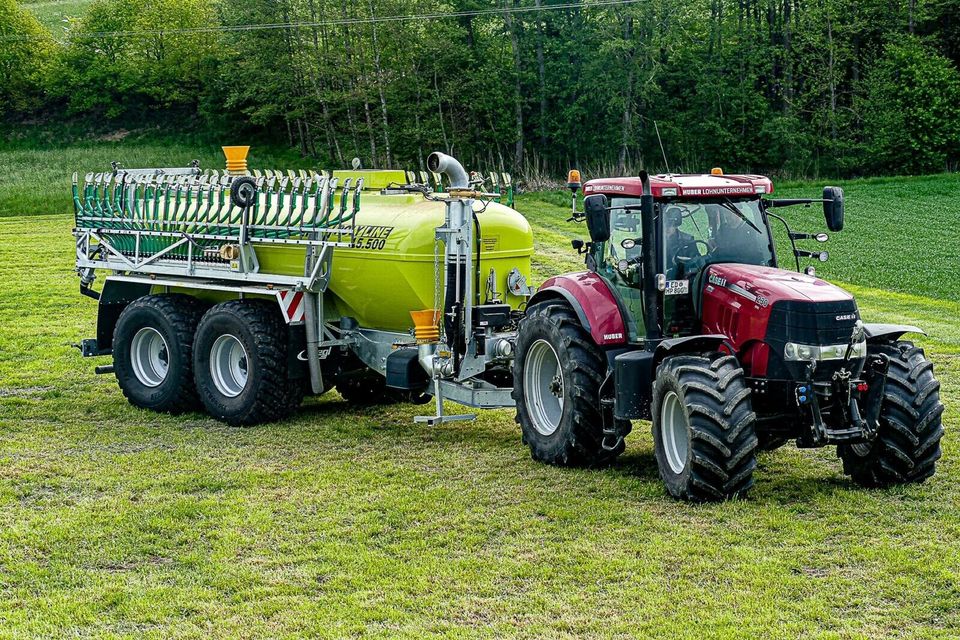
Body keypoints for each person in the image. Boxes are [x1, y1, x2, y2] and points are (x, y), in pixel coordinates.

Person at [663, 206, 699, 278]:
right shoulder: (655, 240)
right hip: (660, 276)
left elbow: (696, 260)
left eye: (671, 224)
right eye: (666, 224)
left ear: (676, 225)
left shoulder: (688, 240)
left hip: (682, 276)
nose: (668, 228)